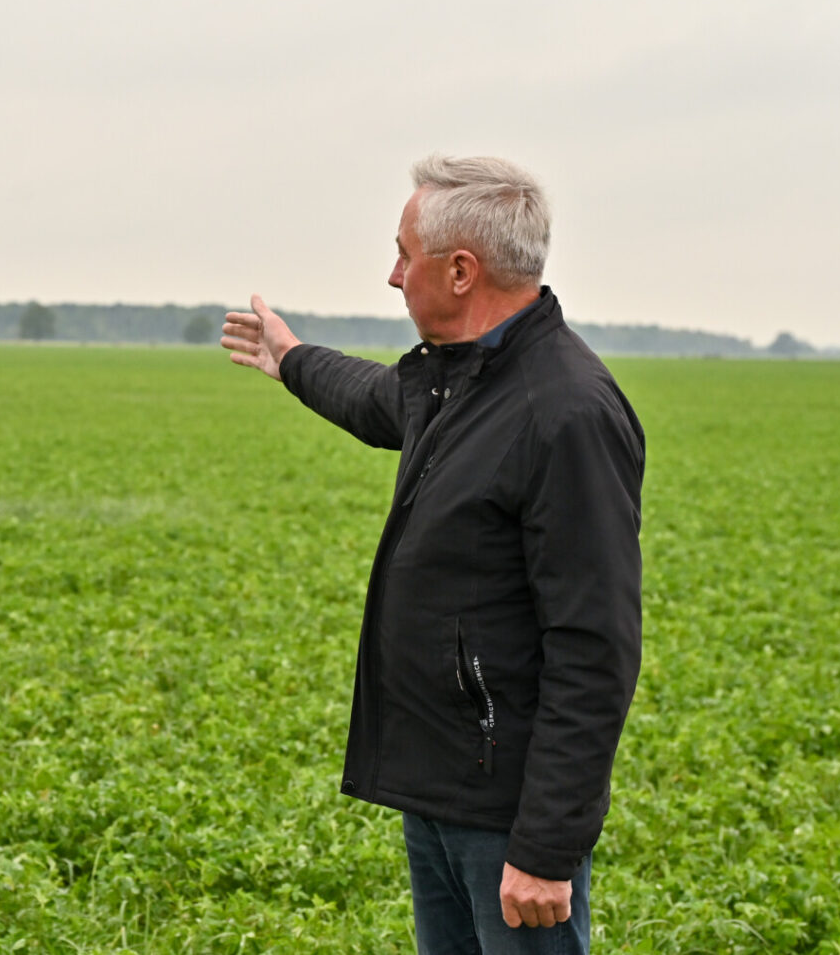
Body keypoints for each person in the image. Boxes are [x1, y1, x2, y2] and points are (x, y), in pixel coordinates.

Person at [221, 155, 644, 954]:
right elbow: (377, 399)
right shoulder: (459, 383)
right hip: (442, 785)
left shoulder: (564, 412)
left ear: (459, 270)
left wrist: (546, 848)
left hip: (507, 812)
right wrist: (291, 358)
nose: (391, 275)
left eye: (402, 253)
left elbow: (595, 647)